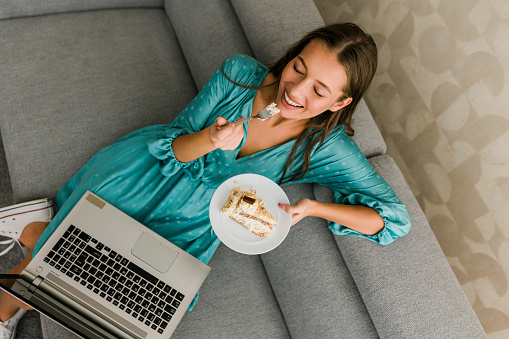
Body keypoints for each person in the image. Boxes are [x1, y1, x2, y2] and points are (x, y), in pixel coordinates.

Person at [0, 23, 411, 338]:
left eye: (318, 91)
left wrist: (314, 208)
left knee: (128, 308)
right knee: (65, 257)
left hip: (195, 221)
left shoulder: (326, 147)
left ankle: (38, 229)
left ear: (340, 103)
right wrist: (211, 139)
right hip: (147, 173)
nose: (295, 91)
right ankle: (7, 305)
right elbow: (174, 148)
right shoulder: (238, 74)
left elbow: (392, 219)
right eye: (298, 68)